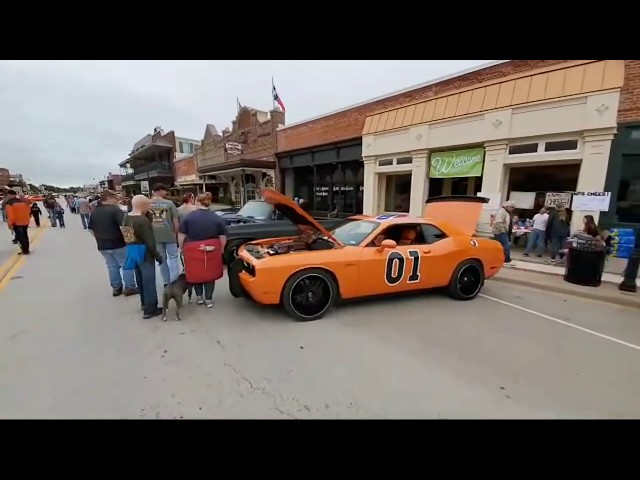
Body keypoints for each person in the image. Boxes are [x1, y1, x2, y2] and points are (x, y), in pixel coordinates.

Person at [178, 193, 227, 307]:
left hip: (192, 249)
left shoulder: (188, 217)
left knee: (196, 274)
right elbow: (223, 237)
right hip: (212, 248)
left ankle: (199, 297)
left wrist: (181, 248)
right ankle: (209, 299)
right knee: (210, 274)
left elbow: (181, 235)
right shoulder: (216, 218)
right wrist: (222, 249)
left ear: (197, 202)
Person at [88, 190, 138, 297]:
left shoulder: (95, 212)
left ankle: (116, 288)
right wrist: (130, 241)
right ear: (108, 198)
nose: (117, 200)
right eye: (115, 198)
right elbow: (123, 227)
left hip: (102, 245)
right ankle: (130, 287)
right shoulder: (115, 210)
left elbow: (91, 229)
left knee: (112, 266)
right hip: (118, 243)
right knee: (126, 265)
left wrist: (99, 238)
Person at [121, 195, 163, 319]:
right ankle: (151, 308)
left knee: (139, 278)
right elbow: (150, 242)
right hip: (144, 252)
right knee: (148, 280)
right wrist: (158, 256)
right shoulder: (142, 221)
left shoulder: (126, 216)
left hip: (133, 250)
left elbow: (127, 234)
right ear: (144, 205)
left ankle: (144, 303)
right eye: (148, 205)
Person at [149, 183, 180, 286]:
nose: (166, 192)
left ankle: (166, 282)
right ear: (160, 190)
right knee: (173, 258)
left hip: (155, 236)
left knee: (162, 260)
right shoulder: (169, 203)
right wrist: (176, 234)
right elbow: (175, 220)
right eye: (165, 190)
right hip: (169, 234)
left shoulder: (148, 204)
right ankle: (174, 281)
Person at [5, 190, 32, 255]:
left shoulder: (9, 203)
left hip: (17, 223)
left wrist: (10, 224)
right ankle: (27, 250)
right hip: (25, 221)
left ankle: (25, 250)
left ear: (9, 195)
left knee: (20, 237)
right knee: (25, 235)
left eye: (7, 195)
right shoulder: (22, 201)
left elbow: (11, 216)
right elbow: (29, 211)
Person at [492, 200, 515, 265]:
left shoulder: (505, 212)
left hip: (501, 231)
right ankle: (507, 259)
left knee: (499, 246)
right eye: (512, 207)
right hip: (500, 232)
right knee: (506, 245)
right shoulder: (502, 212)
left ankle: (498, 258)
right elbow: (498, 222)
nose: (512, 209)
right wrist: (503, 230)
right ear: (508, 206)